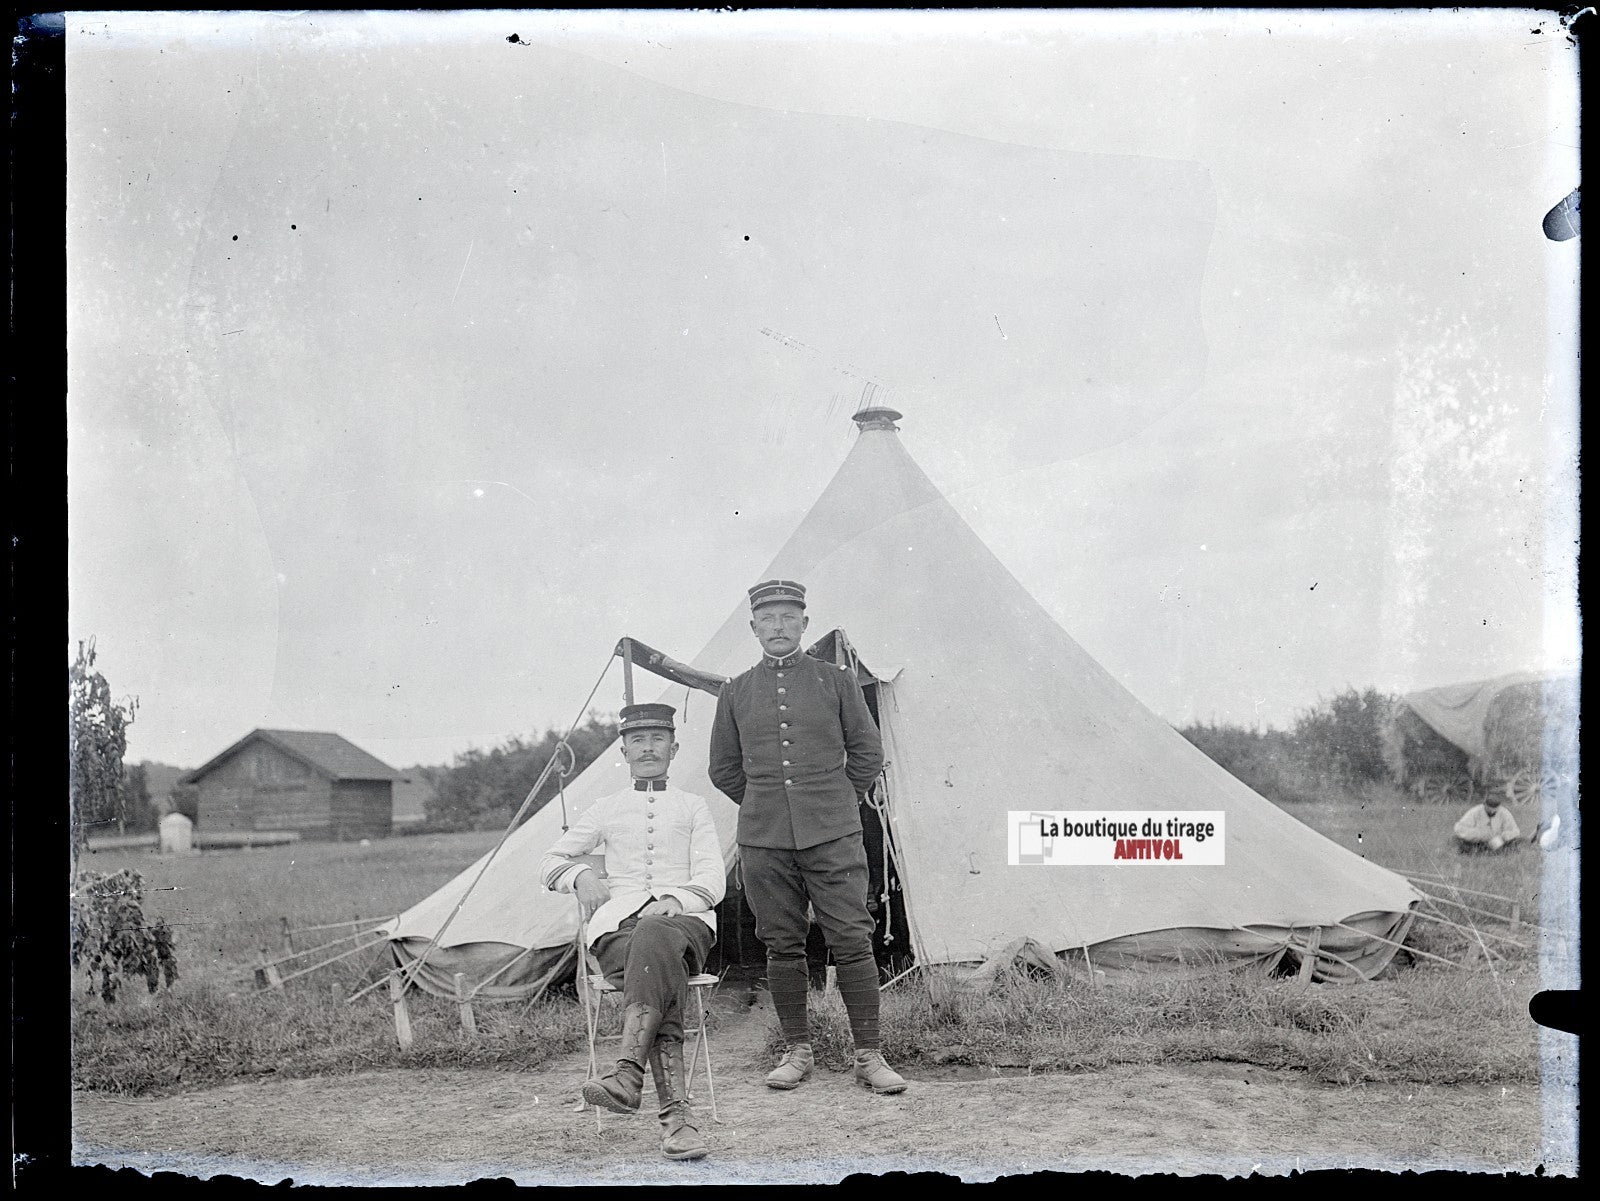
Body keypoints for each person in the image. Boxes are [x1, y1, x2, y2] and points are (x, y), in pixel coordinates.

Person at [709, 578, 906, 1095]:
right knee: (781, 945)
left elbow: (868, 753)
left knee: (852, 940)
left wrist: (836, 801)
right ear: (754, 629)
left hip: (834, 834)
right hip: (764, 839)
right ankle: (797, 1050)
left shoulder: (836, 681)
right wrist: (766, 806)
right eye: (767, 620)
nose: (777, 627)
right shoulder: (735, 692)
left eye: (787, 618)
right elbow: (724, 769)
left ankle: (869, 1055)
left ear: (804, 624)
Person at [540, 702, 725, 1160]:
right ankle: (677, 1121)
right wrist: (580, 875)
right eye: (638, 741)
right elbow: (550, 861)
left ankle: (627, 1075)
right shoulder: (606, 808)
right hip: (619, 929)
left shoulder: (693, 805)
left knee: (656, 934)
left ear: (674, 747)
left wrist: (677, 900)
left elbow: (712, 877)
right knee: (652, 949)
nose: (648, 748)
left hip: (685, 922)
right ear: (624, 750)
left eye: (657, 739)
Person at [1452, 792, 1521, 853]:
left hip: (1498, 841)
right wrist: (1480, 835)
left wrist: (1502, 837)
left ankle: (1493, 851)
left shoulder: (1504, 813)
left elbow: (1514, 830)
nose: (1492, 812)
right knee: (1459, 842)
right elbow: (1459, 829)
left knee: (1515, 843)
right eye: (1489, 808)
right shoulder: (1475, 812)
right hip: (1477, 841)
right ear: (1484, 804)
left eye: (1495, 809)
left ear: (1499, 806)